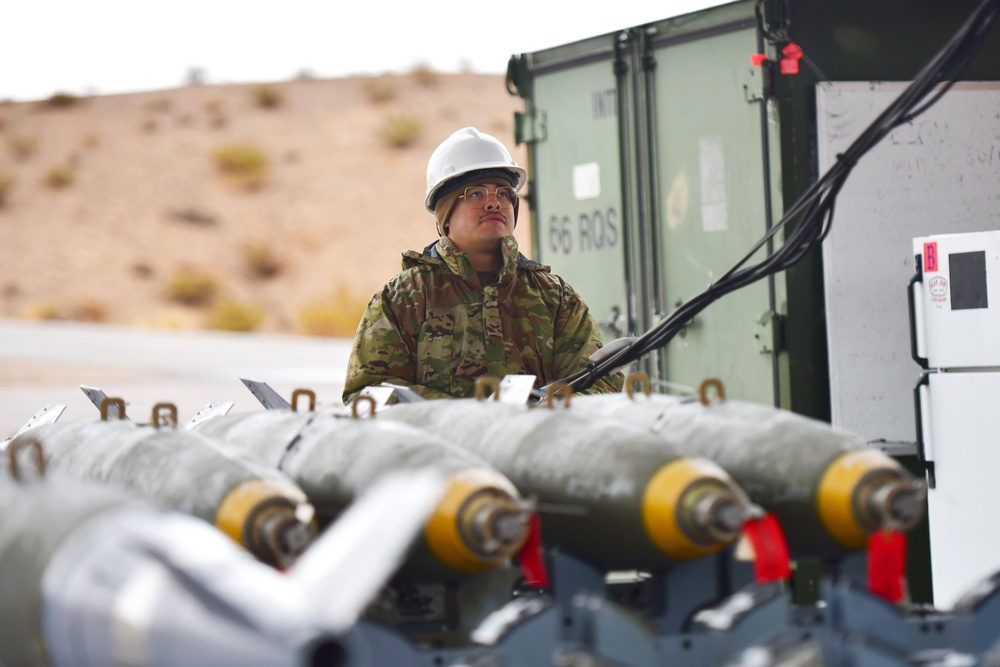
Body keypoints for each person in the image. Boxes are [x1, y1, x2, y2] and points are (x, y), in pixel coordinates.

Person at [342, 127, 623, 403]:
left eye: (503, 193)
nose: (494, 204)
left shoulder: (555, 297)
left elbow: (601, 383)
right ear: (446, 215)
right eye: (476, 194)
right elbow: (368, 391)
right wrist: (467, 417)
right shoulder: (403, 298)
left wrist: (540, 411)